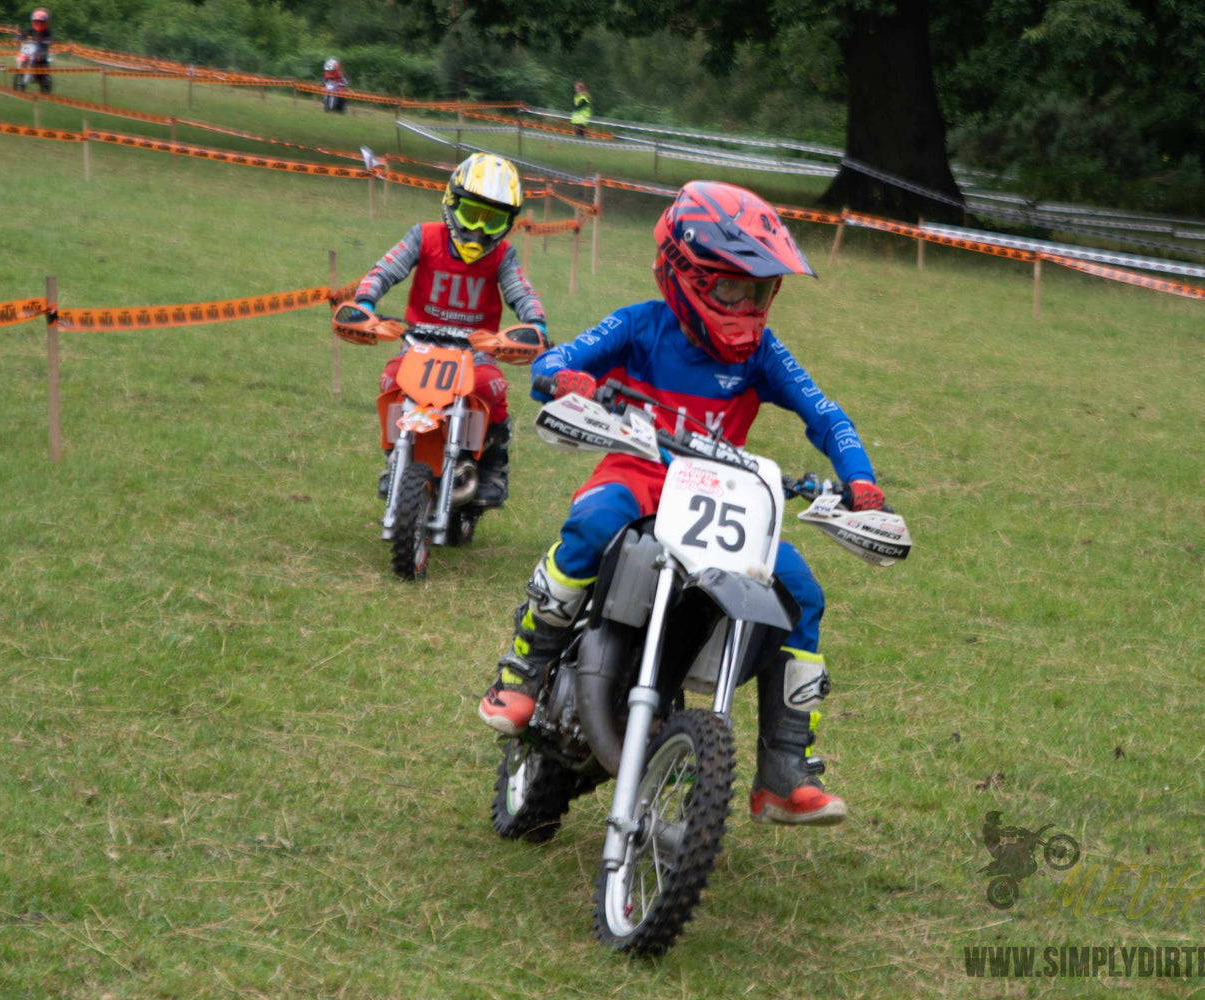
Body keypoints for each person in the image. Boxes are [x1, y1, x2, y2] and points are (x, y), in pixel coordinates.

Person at [479, 179, 889, 827]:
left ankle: (785, 766)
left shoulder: (763, 352)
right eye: (731, 288)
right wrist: (566, 377)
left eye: (758, 291)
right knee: (592, 523)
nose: (746, 305)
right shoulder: (641, 324)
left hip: (723, 499)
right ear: (683, 274)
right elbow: (556, 359)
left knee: (803, 590)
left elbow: (827, 415)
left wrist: (859, 477)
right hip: (636, 472)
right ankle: (524, 668)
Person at [353, 152, 546, 509]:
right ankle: (395, 457)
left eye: (493, 221)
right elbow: (385, 269)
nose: (477, 230)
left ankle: (493, 469)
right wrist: (365, 303)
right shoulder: (424, 236)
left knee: (492, 389)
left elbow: (522, 291)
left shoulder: (503, 255)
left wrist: (536, 324)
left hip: (476, 350)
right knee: (392, 380)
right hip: (418, 344)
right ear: (451, 202)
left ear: (509, 223)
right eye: (471, 215)